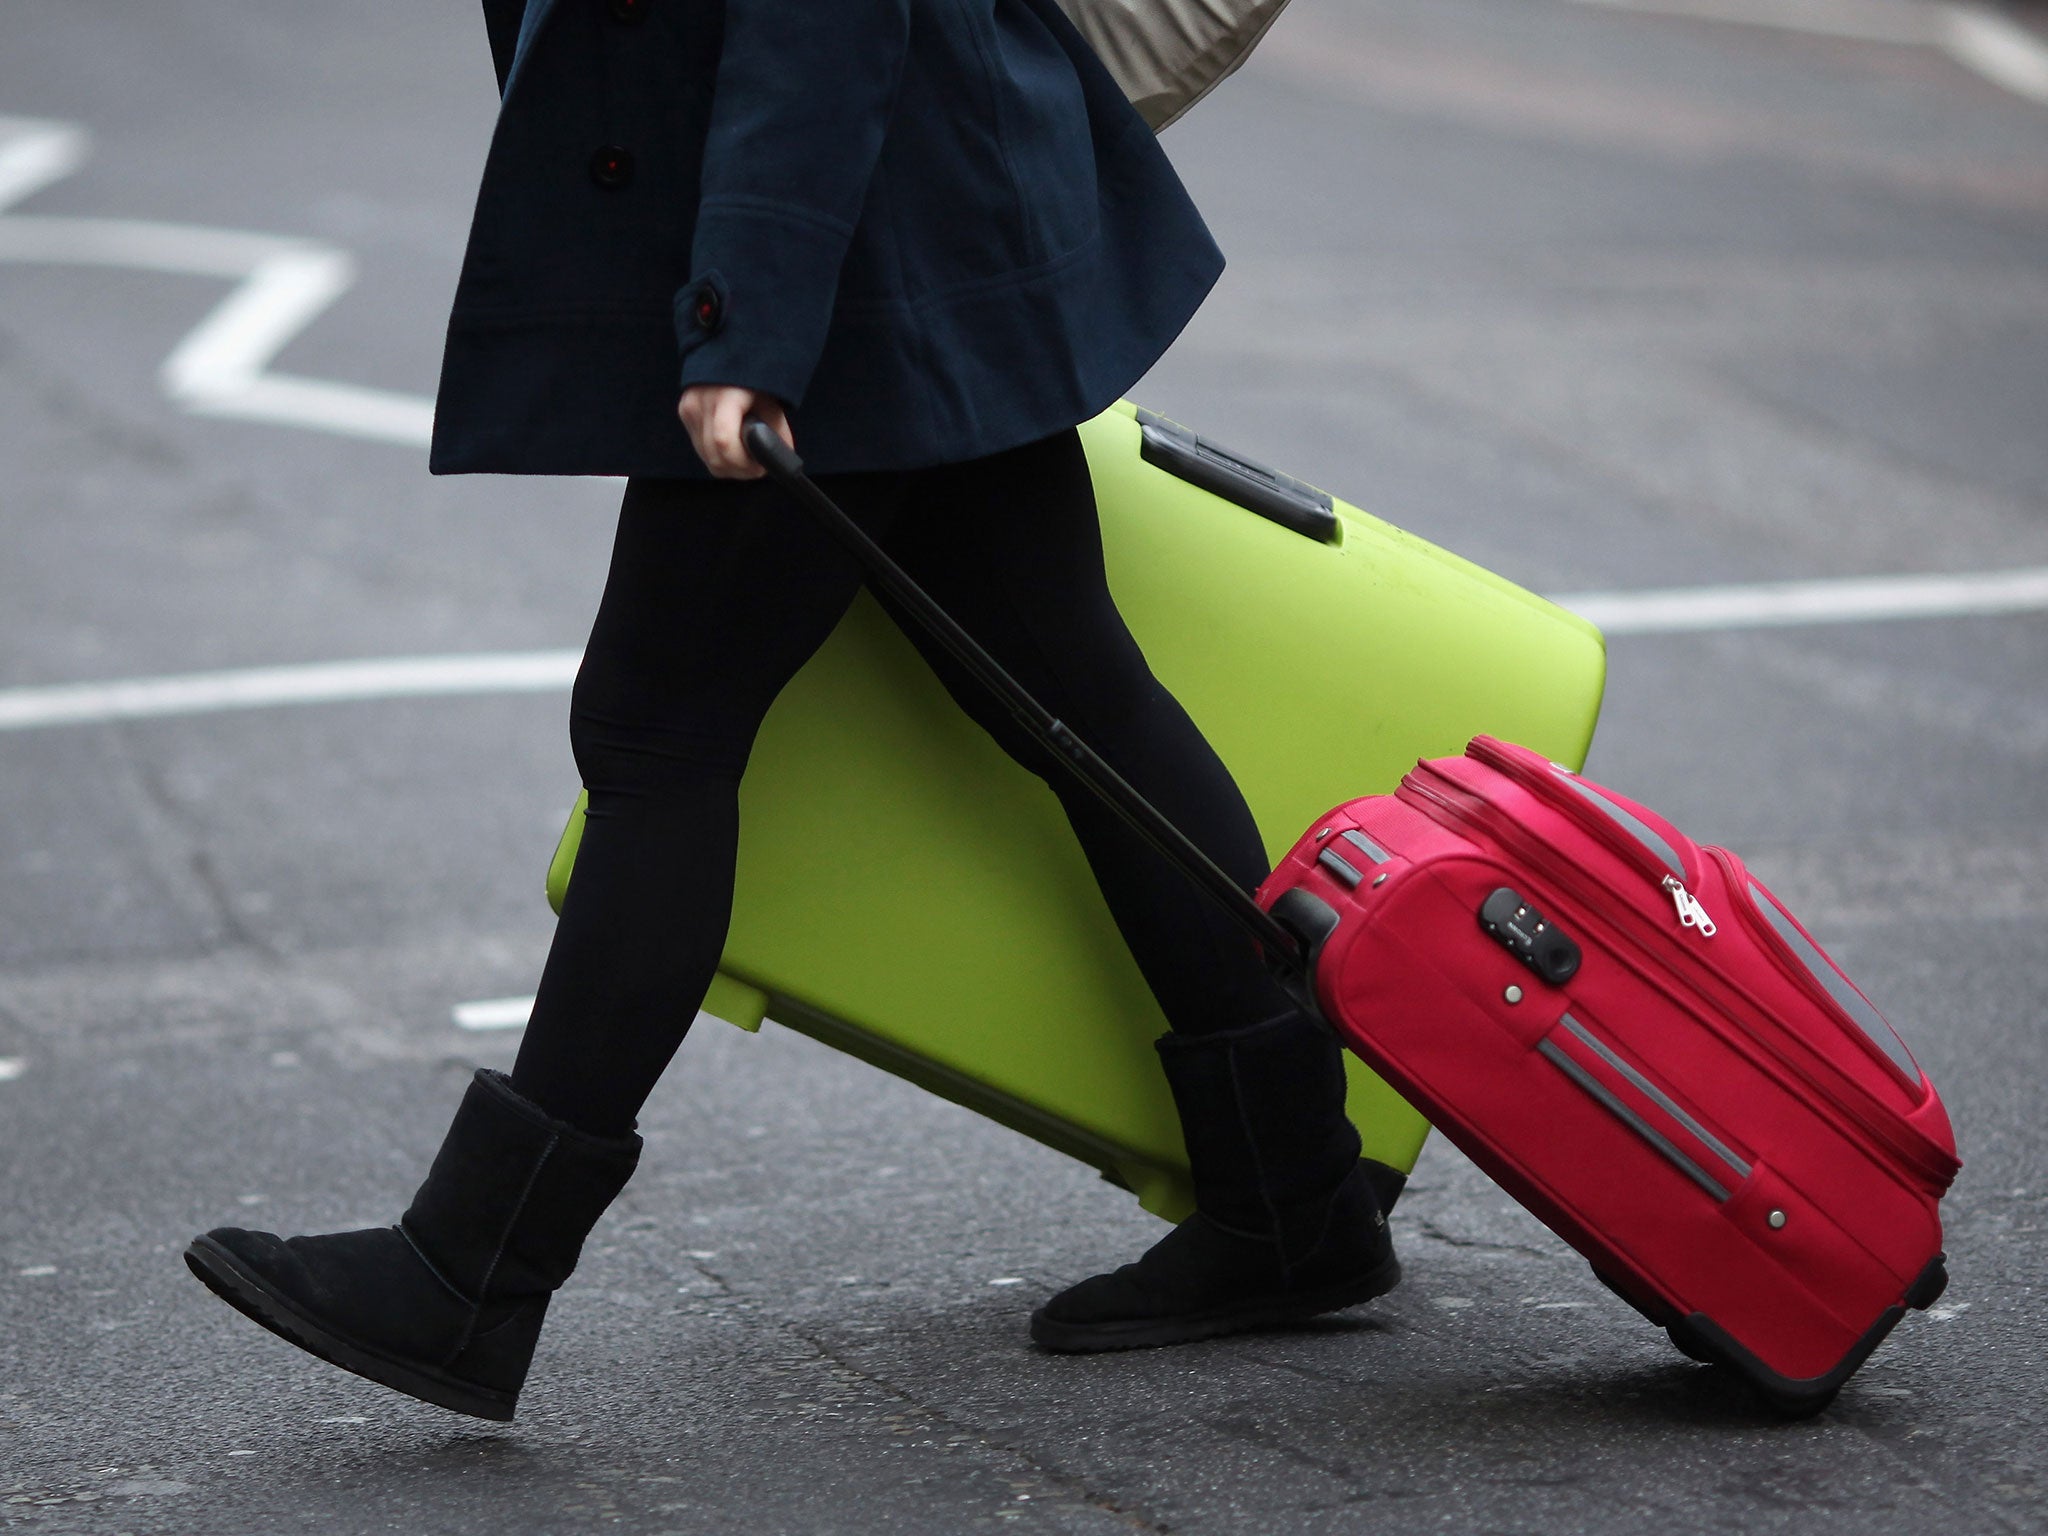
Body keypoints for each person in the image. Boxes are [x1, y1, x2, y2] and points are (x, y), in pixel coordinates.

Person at [183, 0, 1399, 1421]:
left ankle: (468, 1274)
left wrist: (750, 319)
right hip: (919, 215)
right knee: (1071, 687)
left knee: (659, 734)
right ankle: (1294, 1197)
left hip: (850, 254)